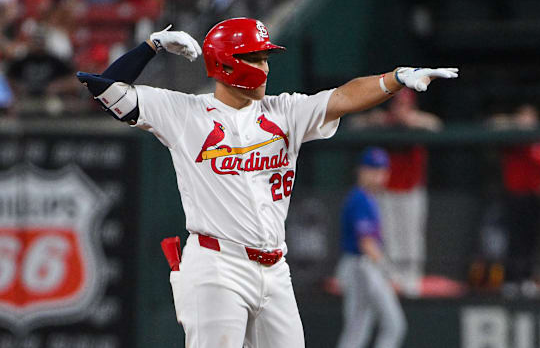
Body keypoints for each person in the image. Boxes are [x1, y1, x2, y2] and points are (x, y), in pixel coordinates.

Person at [75, 18, 457, 348]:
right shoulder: (185, 112)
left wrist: (394, 80)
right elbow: (103, 89)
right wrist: (151, 46)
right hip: (216, 264)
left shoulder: (285, 110)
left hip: (275, 269)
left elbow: (342, 97)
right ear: (226, 63)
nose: (264, 66)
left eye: (265, 57)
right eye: (254, 57)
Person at [349, 88, 441, 296]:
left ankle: (412, 280)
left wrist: (413, 120)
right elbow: (354, 124)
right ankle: (392, 279)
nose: (401, 110)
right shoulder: (384, 122)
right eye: (397, 105)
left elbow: (436, 126)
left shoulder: (418, 122)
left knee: (412, 236)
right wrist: (378, 119)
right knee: (388, 236)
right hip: (387, 191)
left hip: (412, 189)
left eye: (405, 106)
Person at [490, 104, 540, 285]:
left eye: (531, 118)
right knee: (514, 240)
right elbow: (491, 124)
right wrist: (515, 122)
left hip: (534, 197)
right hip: (513, 197)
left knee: (532, 239)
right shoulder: (512, 140)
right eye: (525, 117)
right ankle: (511, 280)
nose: (528, 122)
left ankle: (526, 279)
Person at [336, 147, 406, 348]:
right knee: (389, 325)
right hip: (361, 266)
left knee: (358, 331)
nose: (378, 176)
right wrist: (391, 273)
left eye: (381, 171)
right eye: (372, 170)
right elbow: (366, 244)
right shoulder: (359, 199)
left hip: (363, 267)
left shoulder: (369, 198)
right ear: (361, 170)